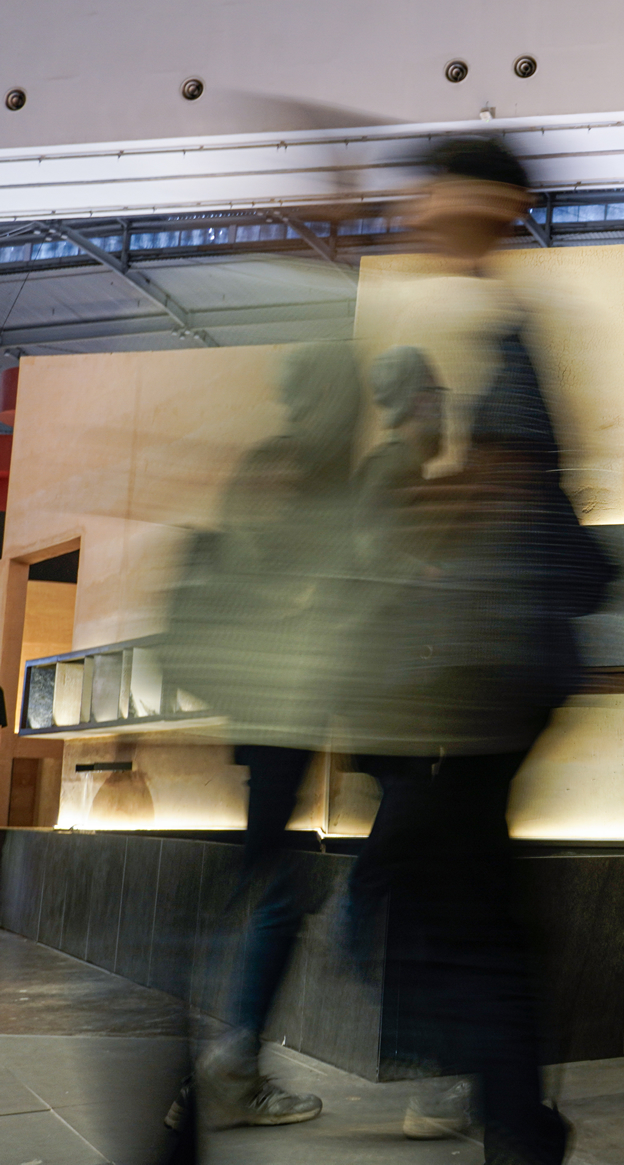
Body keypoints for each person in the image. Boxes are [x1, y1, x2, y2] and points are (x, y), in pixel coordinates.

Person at [340, 136, 612, 1165]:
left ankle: (510, 1111)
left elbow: (505, 486)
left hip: (474, 668)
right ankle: (518, 1115)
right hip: (475, 668)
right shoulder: (475, 317)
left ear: (488, 200)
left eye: (432, 186)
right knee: (468, 894)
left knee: (421, 894)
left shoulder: (496, 325)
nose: (413, 205)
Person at [160, 342, 364, 1128]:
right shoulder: (302, 474)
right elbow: (302, 592)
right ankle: (228, 1068)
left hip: (273, 719)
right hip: (282, 712)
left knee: (267, 884)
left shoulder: (274, 465)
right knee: (272, 890)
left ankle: (221, 1067)